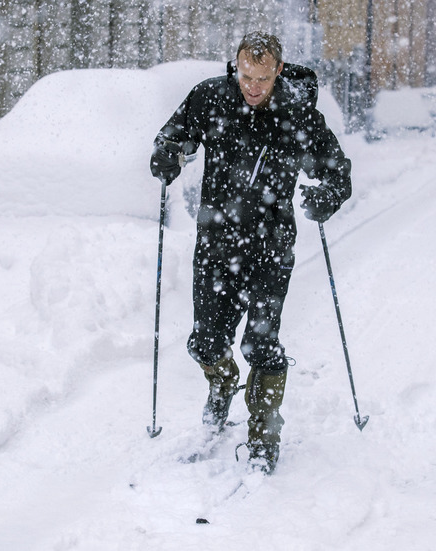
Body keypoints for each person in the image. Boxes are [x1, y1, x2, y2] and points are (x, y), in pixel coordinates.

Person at [149, 31, 352, 472]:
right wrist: (168, 154)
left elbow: (338, 174)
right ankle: (222, 385)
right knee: (206, 342)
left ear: (278, 70)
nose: (253, 87)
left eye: (262, 77)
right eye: (245, 76)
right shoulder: (211, 98)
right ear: (235, 67)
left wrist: (326, 196)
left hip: (270, 247)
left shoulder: (297, 113)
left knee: (261, 342)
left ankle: (263, 432)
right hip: (216, 245)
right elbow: (173, 135)